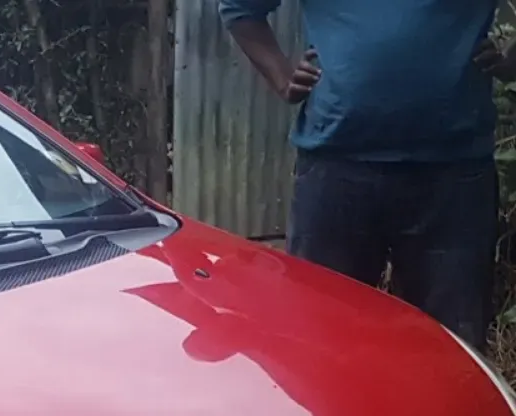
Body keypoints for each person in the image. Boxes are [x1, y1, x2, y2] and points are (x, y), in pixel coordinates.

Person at [220, 0, 514, 352]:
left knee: (451, 348)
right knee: (318, 339)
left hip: (452, 175)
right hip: (336, 169)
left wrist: (511, 63)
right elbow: (240, 8)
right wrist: (281, 77)